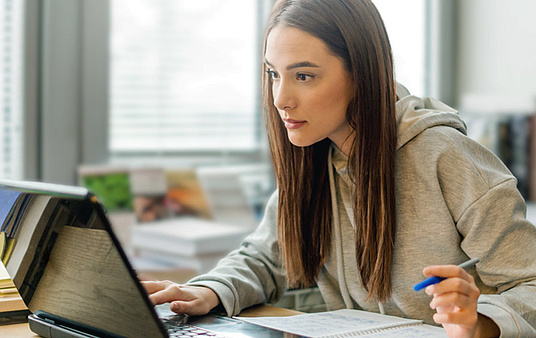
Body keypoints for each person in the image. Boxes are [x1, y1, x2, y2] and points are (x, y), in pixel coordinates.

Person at [142, 0, 536, 337]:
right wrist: (209, 290)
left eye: (304, 76)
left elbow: (531, 283)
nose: (281, 99)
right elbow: (265, 258)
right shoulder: (315, 155)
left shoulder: (446, 156)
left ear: (361, 74)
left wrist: (479, 321)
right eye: (273, 74)